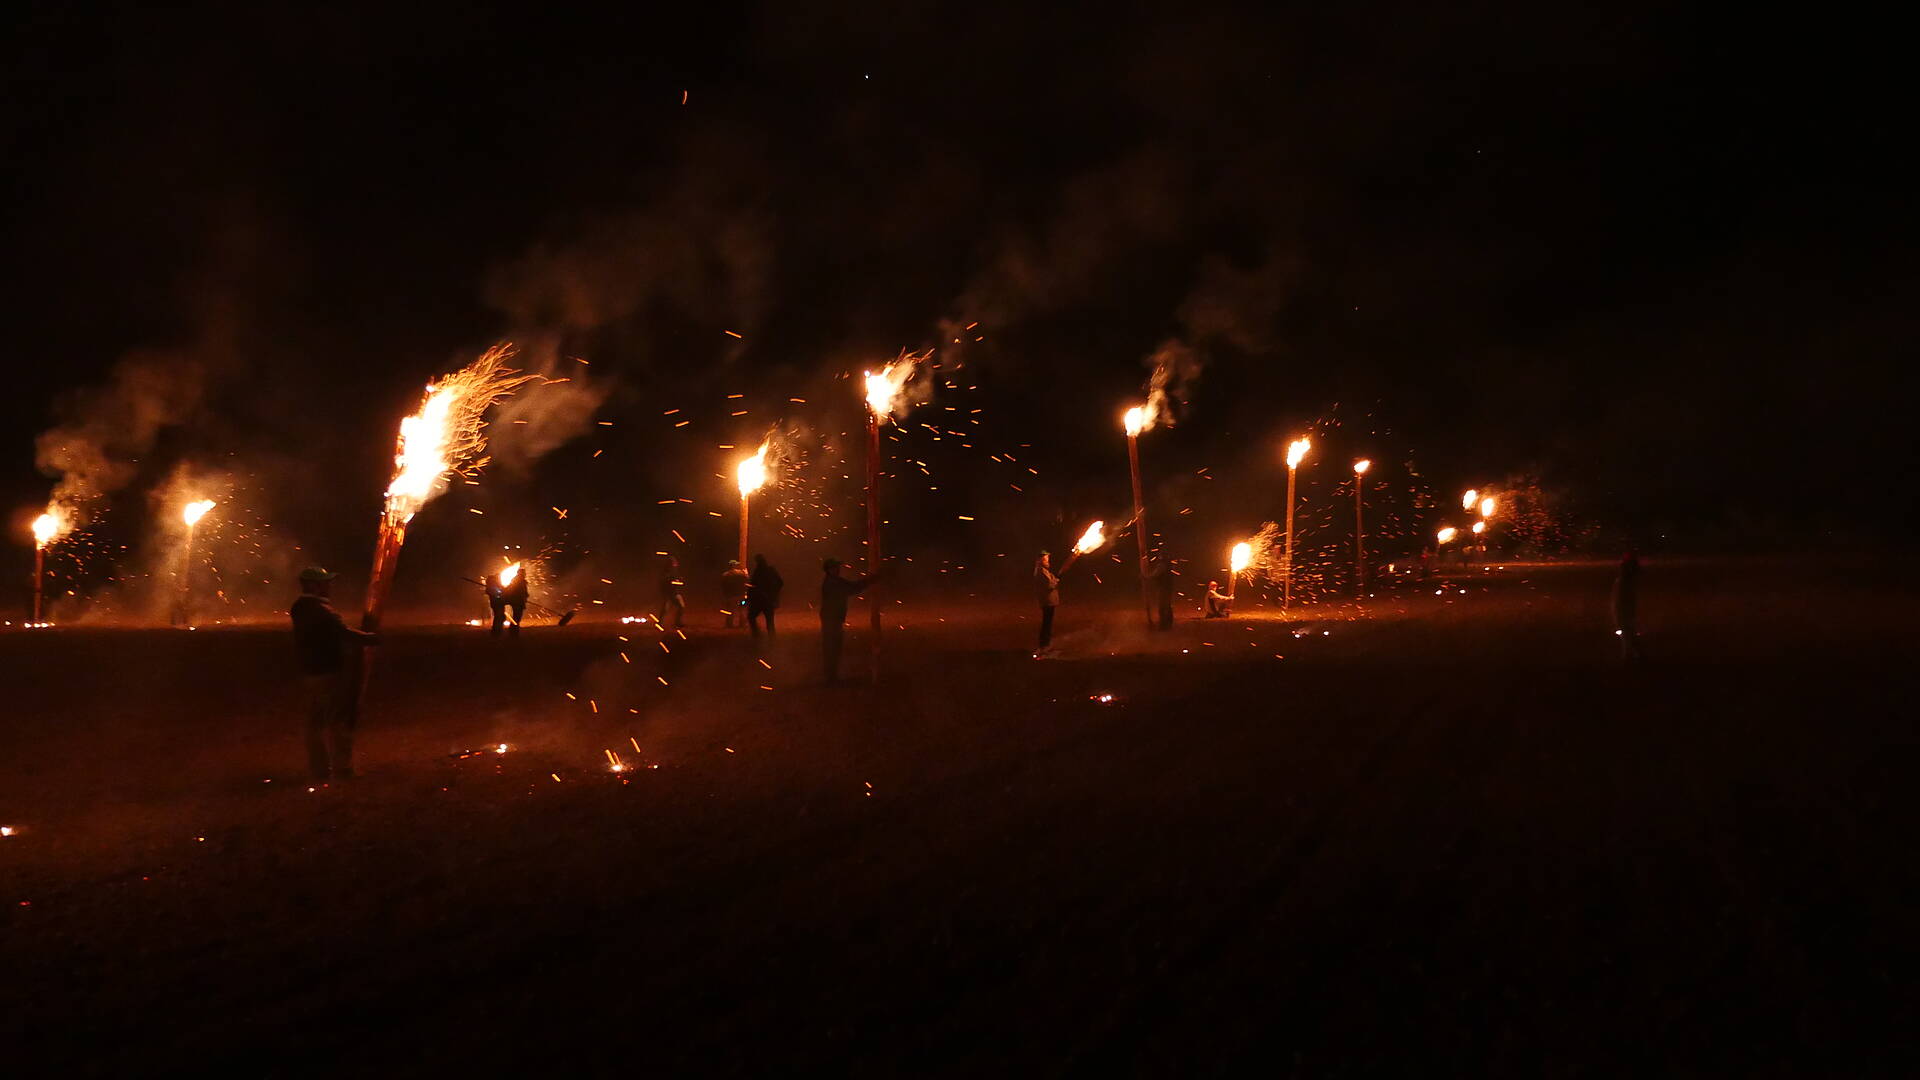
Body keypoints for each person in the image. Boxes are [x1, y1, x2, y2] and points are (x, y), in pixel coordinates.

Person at [289, 567, 378, 781]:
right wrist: (370, 638)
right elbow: (342, 632)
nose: (329, 587)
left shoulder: (300, 607)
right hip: (326, 672)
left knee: (315, 722)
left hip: (310, 671)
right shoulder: (320, 610)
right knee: (337, 720)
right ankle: (342, 769)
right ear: (312, 585)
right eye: (325, 583)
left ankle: (319, 771)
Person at [818, 557, 875, 683]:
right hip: (831, 619)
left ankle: (831, 676)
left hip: (833, 618)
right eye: (835, 567)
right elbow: (852, 588)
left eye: (838, 567)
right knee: (832, 648)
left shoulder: (834, 580)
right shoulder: (832, 583)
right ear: (829, 570)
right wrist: (870, 581)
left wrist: (868, 581)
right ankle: (830, 678)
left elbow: (852, 586)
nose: (838, 569)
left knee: (833, 647)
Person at [1612, 548, 1644, 660]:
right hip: (1626, 612)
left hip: (1626, 611)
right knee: (1629, 635)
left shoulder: (1624, 582)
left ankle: (1631, 656)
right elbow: (1621, 601)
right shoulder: (1624, 583)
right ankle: (1630, 657)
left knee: (1629, 635)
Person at [747, 553, 783, 639]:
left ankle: (757, 635)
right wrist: (774, 593)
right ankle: (771, 639)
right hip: (768, 599)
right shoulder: (771, 570)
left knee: (751, 617)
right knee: (769, 621)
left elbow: (753, 585)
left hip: (760, 600)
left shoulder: (759, 571)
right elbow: (780, 582)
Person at [485, 568, 529, 637]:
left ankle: (500, 632)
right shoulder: (519, 581)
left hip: (514, 602)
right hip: (516, 602)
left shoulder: (517, 581)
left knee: (502, 617)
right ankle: (503, 633)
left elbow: (508, 591)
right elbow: (517, 592)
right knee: (504, 617)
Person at [1033, 551, 1060, 651]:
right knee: (1046, 624)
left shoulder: (1044, 570)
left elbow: (1050, 581)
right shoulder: (1041, 571)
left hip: (1049, 601)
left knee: (1047, 623)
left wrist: (1055, 579)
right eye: (1045, 558)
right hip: (1047, 601)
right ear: (1041, 560)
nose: (1047, 560)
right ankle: (1044, 645)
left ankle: (1045, 644)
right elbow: (1049, 585)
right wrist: (1056, 580)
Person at [656, 555, 686, 629]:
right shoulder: (665, 572)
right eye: (672, 563)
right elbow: (664, 582)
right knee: (666, 608)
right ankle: (660, 623)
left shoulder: (674, 571)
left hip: (674, 592)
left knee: (681, 606)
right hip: (668, 592)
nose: (674, 565)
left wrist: (678, 580)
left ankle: (677, 622)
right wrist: (671, 582)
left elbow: (676, 579)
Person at [1148, 555, 1177, 630]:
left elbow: (1154, 575)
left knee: (1163, 607)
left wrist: (1145, 576)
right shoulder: (1169, 566)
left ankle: (1164, 626)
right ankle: (1168, 625)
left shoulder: (1162, 566)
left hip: (1164, 588)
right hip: (1168, 588)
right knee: (1167, 606)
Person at [720, 560, 750, 628]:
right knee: (741, 610)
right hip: (740, 595)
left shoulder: (725, 574)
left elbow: (723, 585)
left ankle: (729, 624)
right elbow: (747, 579)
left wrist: (725, 594)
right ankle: (742, 624)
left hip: (730, 595)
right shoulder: (741, 573)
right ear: (734, 565)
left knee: (730, 610)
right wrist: (746, 573)